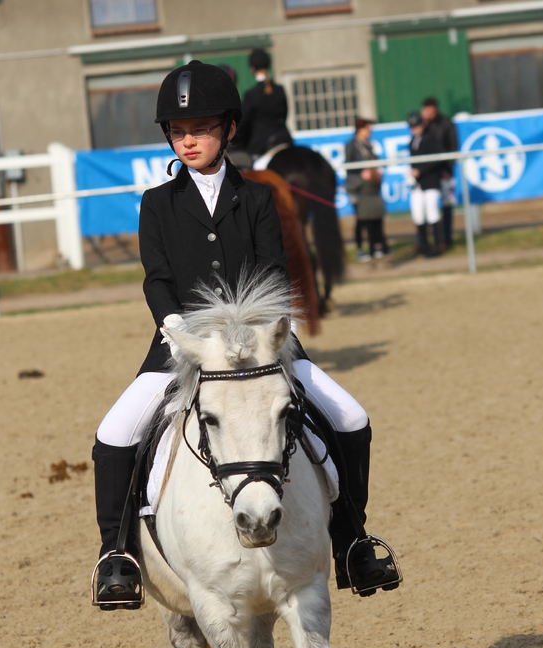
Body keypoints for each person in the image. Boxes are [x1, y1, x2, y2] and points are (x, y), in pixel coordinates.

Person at [92, 60, 401, 609]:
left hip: (263, 345)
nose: (188, 141)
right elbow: (157, 278)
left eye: (201, 129)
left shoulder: (257, 198)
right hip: (182, 347)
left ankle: (352, 542)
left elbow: (275, 271)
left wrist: (271, 330)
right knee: (114, 434)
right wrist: (174, 326)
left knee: (351, 418)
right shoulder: (157, 203)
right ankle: (118, 556)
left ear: (229, 129)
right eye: (178, 131)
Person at [232, 48, 293, 164]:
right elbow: (285, 115)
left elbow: (244, 123)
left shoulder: (251, 94)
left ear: (252, 68)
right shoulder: (280, 90)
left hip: (262, 147)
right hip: (284, 140)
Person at [345, 117, 388, 262]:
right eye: (367, 129)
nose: (369, 132)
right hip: (358, 189)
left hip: (370, 188)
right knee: (361, 219)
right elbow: (349, 168)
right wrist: (361, 176)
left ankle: (376, 246)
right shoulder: (351, 146)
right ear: (360, 129)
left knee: (373, 218)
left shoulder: (368, 145)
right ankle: (360, 248)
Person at [421, 97, 458, 248]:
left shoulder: (446, 123)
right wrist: (424, 124)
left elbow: (453, 146)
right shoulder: (424, 125)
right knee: (425, 205)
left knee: (447, 205)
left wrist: (448, 168)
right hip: (429, 172)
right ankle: (425, 240)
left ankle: (446, 238)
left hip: (444, 171)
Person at [407, 111, 445, 257]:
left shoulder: (431, 138)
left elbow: (436, 160)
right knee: (418, 214)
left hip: (430, 181)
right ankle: (424, 245)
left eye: (416, 126)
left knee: (432, 212)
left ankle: (437, 245)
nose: (414, 129)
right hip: (418, 184)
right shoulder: (413, 141)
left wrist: (420, 170)